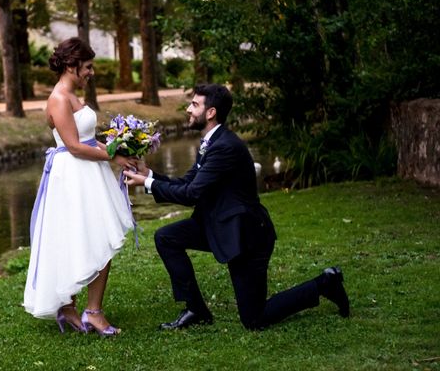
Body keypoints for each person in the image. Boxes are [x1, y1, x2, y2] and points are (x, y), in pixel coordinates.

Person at [123, 83, 350, 330]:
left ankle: (325, 283)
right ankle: (196, 310)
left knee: (254, 319)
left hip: (246, 235)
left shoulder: (224, 147)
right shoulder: (211, 142)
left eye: (194, 104)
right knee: (167, 237)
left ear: (210, 113)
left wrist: (147, 183)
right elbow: (189, 182)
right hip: (218, 224)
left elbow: (192, 194)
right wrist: (151, 175)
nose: (188, 109)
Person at [23, 37, 136, 336]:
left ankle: (72, 309)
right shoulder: (59, 99)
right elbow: (73, 146)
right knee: (88, 237)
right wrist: (111, 156)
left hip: (89, 171)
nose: (91, 72)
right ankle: (90, 312)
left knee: (94, 237)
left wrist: (116, 151)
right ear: (72, 66)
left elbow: (86, 140)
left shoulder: (71, 94)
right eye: (87, 67)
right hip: (73, 176)